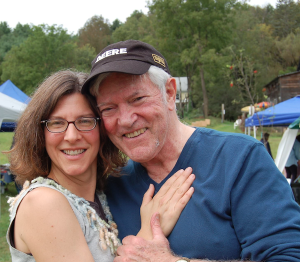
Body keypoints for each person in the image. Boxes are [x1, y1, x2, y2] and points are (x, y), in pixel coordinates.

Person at [81, 40, 300, 262]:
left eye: (137, 99)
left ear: (169, 92)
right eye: (109, 108)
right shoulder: (111, 187)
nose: (126, 120)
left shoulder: (240, 159)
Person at [5, 70, 194, 262]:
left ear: (103, 130)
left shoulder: (102, 196)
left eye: (85, 121)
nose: (71, 136)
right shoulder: (43, 202)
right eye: (56, 123)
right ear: (39, 134)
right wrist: (150, 230)